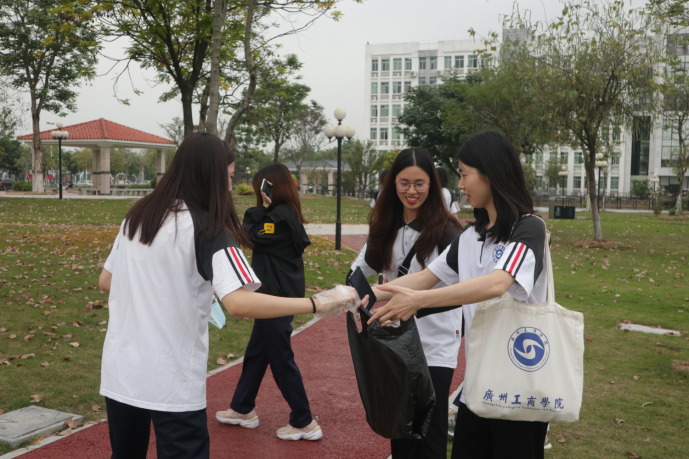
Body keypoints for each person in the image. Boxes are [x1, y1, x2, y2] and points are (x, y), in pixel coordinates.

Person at [97, 133, 357, 459]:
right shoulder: (209, 228)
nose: (231, 187)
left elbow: (107, 280)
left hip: (121, 372)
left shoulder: (136, 217)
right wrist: (318, 303)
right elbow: (239, 302)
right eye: (230, 178)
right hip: (171, 380)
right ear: (212, 176)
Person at [368, 131, 549, 459]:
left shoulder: (528, 228)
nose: (460, 185)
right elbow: (423, 279)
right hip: (477, 387)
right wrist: (357, 294)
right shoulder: (470, 238)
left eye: (465, 174)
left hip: (519, 388)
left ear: (490, 173)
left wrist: (418, 302)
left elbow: (497, 283)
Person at [350, 148, 463, 459]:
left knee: (430, 430)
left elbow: (461, 289)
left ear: (433, 186)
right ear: (393, 185)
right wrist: (356, 295)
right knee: (400, 427)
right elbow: (358, 270)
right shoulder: (385, 226)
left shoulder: (448, 230)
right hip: (396, 341)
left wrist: (412, 304)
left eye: (419, 183)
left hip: (437, 341)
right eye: (404, 183)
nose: (411, 191)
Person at [216, 163, 321, 441]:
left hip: (276, 298)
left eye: (260, 187)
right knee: (257, 353)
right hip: (270, 295)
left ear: (270, 188)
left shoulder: (280, 217)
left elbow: (249, 236)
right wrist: (264, 208)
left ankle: (304, 421)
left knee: (280, 357)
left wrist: (261, 208)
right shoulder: (281, 214)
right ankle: (242, 408)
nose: (257, 192)